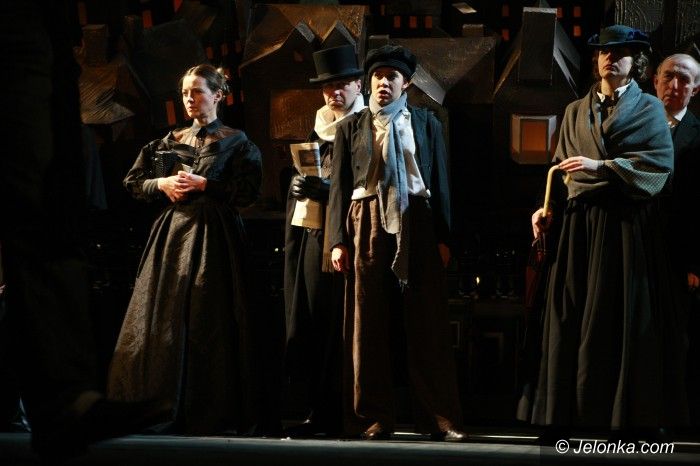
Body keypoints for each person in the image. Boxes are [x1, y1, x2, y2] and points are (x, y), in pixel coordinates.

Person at [0, 0, 169, 460]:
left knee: (51, 220)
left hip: (44, 48)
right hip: (18, 45)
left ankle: (64, 400)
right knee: (32, 206)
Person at [530, 25, 688, 440]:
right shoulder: (574, 111)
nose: (610, 58)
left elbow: (659, 167)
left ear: (635, 62)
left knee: (620, 317)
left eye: (620, 53)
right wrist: (545, 210)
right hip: (579, 226)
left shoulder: (649, 108)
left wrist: (602, 167)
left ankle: (624, 418)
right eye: (604, 51)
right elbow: (561, 172)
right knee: (572, 314)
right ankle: (569, 415)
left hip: (625, 226)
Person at [106, 64, 263, 435]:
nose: (190, 99)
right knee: (166, 315)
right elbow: (135, 182)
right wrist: (161, 184)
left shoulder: (236, 141)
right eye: (185, 93)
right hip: (173, 236)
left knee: (210, 314)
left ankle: (209, 408)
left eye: (197, 92)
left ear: (217, 95)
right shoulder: (170, 140)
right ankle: (161, 402)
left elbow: (248, 193)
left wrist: (207, 185)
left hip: (214, 237)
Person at [328, 44, 467, 442]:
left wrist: (444, 236)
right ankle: (371, 418)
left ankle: (440, 419)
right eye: (377, 76)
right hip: (366, 219)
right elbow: (339, 187)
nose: (383, 83)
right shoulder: (351, 127)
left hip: (416, 218)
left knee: (427, 322)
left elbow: (440, 181)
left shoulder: (426, 122)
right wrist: (337, 240)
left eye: (391, 77)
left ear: (406, 84)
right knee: (367, 322)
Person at [283, 45, 365, 438]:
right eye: (328, 86)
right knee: (314, 320)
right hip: (314, 234)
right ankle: (317, 410)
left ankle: (349, 412)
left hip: (351, 237)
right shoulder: (318, 128)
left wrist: (330, 190)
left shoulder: (366, 126)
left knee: (345, 324)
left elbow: (369, 183)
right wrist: (298, 186)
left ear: (358, 85)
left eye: (343, 84)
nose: (335, 92)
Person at [654, 53, 700, 428]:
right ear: (655, 81)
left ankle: (673, 415)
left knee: (677, 336)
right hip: (637, 247)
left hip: (679, 255)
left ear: (695, 89)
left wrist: (696, 263)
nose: (674, 85)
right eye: (668, 77)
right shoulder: (636, 126)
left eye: (684, 80)